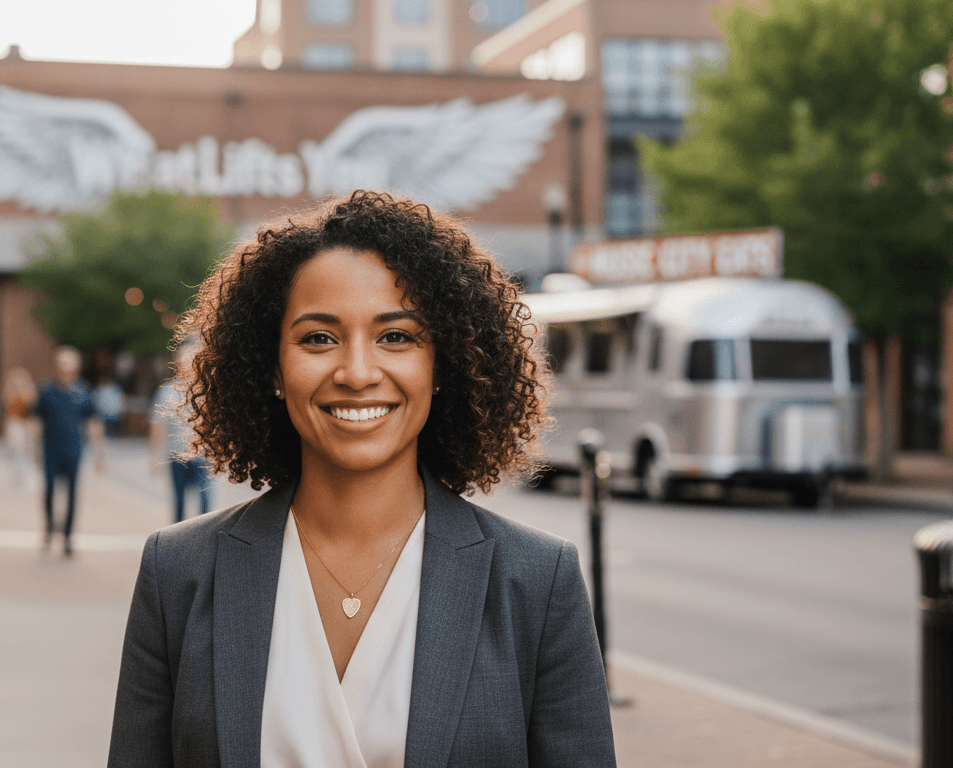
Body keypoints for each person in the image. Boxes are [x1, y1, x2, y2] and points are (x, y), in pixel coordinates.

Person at [108, 192, 615, 767]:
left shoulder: (535, 583)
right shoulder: (178, 574)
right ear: (272, 368)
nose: (356, 372)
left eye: (396, 336)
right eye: (318, 338)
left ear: (443, 364)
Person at [35, 346, 97, 557]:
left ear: (76, 366)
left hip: (74, 451)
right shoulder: (46, 391)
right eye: (61, 362)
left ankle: (68, 537)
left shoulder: (83, 391)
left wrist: (99, 453)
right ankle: (50, 529)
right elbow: (36, 421)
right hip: (50, 450)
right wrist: (33, 448)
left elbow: (92, 422)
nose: (64, 366)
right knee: (50, 491)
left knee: (72, 494)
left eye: (68, 362)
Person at [149, 344, 213, 522]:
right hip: (176, 455)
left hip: (202, 456)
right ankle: (177, 540)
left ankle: (205, 539)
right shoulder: (166, 392)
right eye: (184, 360)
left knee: (205, 503)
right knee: (178, 501)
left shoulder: (207, 389)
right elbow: (158, 425)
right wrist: (155, 455)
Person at [2, 367, 38, 480]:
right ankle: (16, 472)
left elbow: (31, 406)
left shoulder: (30, 391)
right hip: (14, 422)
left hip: (27, 423)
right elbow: (7, 406)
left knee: (28, 448)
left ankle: (27, 471)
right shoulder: (9, 392)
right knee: (15, 447)